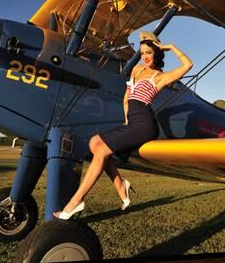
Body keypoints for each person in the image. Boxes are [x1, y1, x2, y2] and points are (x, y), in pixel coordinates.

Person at [53, 31, 193, 220]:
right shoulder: (136, 70)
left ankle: (75, 202)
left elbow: (188, 65)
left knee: (101, 151)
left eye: (149, 53)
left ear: (157, 53)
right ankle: (120, 185)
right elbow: (127, 97)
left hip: (145, 124)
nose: (145, 57)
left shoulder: (160, 77)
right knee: (94, 143)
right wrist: (127, 120)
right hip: (133, 122)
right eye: (142, 53)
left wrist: (170, 47)